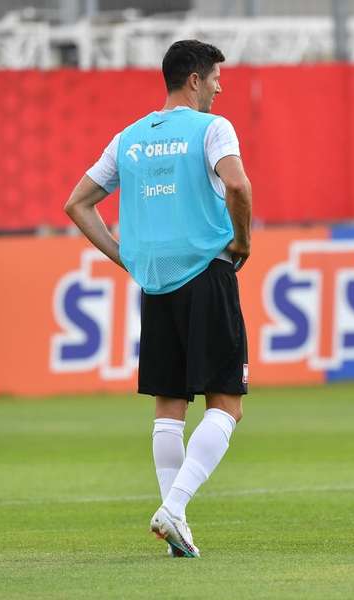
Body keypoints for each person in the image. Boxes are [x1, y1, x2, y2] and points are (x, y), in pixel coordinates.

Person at [64, 39, 252, 558]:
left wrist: (125, 257)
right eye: (215, 76)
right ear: (194, 79)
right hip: (207, 276)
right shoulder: (213, 129)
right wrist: (243, 241)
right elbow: (237, 185)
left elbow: (77, 203)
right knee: (227, 404)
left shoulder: (129, 138)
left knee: (169, 409)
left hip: (157, 284)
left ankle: (178, 526)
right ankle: (174, 507)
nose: (219, 86)